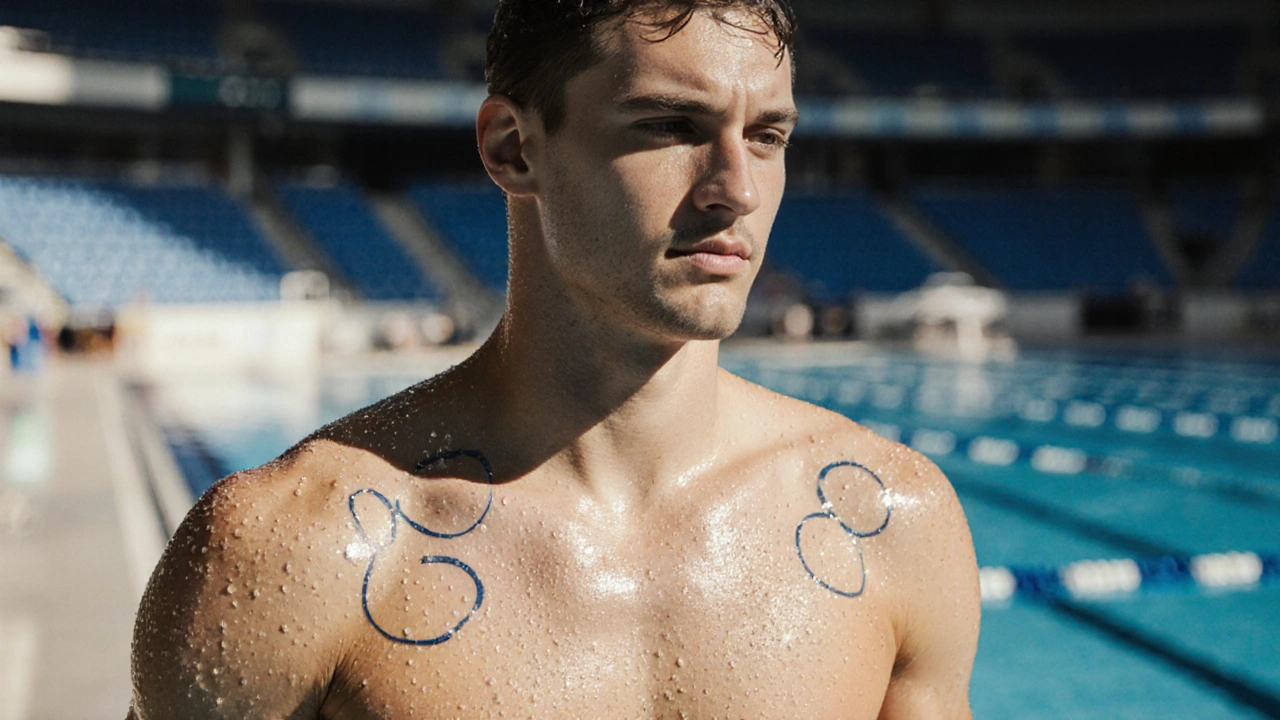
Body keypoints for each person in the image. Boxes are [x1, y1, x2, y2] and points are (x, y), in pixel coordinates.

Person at [128, 0, 980, 716]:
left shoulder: (893, 524)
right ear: (513, 148)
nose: (738, 188)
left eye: (767, 134)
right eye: (671, 125)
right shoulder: (292, 548)